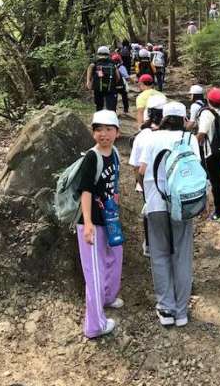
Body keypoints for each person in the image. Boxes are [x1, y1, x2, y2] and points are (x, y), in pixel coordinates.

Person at [138, 102, 200, 327]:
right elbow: (196, 171)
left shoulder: (151, 138)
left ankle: (166, 309)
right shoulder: (189, 139)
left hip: (155, 203)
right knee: (182, 256)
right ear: (184, 119)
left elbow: (141, 170)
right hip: (182, 206)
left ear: (163, 118)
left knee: (160, 255)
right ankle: (181, 312)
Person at [76, 110, 124, 338]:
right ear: (93, 133)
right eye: (99, 130)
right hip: (92, 222)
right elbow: (85, 191)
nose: (103, 134)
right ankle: (94, 326)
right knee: (94, 271)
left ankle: (107, 297)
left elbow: (113, 182)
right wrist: (87, 224)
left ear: (117, 132)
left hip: (109, 218)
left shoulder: (114, 153)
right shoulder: (92, 157)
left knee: (114, 256)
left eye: (108, 129)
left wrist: (115, 200)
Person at [129, 94, 167, 257]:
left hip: (149, 183)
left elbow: (136, 167)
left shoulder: (142, 136)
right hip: (170, 184)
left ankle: (150, 245)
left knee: (149, 211)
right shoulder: (172, 134)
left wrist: (142, 185)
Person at [197, 87, 220, 223]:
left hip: (211, 154)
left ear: (208, 100)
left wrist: (193, 145)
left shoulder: (206, 114)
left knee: (216, 183)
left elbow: (202, 134)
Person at [86, 46, 120, 112]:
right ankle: (112, 117)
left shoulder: (95, 62)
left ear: (98, 53)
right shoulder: (112, 63)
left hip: (98, 88)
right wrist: (114, 84)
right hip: (111, 89)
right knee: (111, 108)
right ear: (108, 53)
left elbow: (90, 68)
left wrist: (88, 82)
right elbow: (118, 77)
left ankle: (99, 117)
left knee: (99, 107)